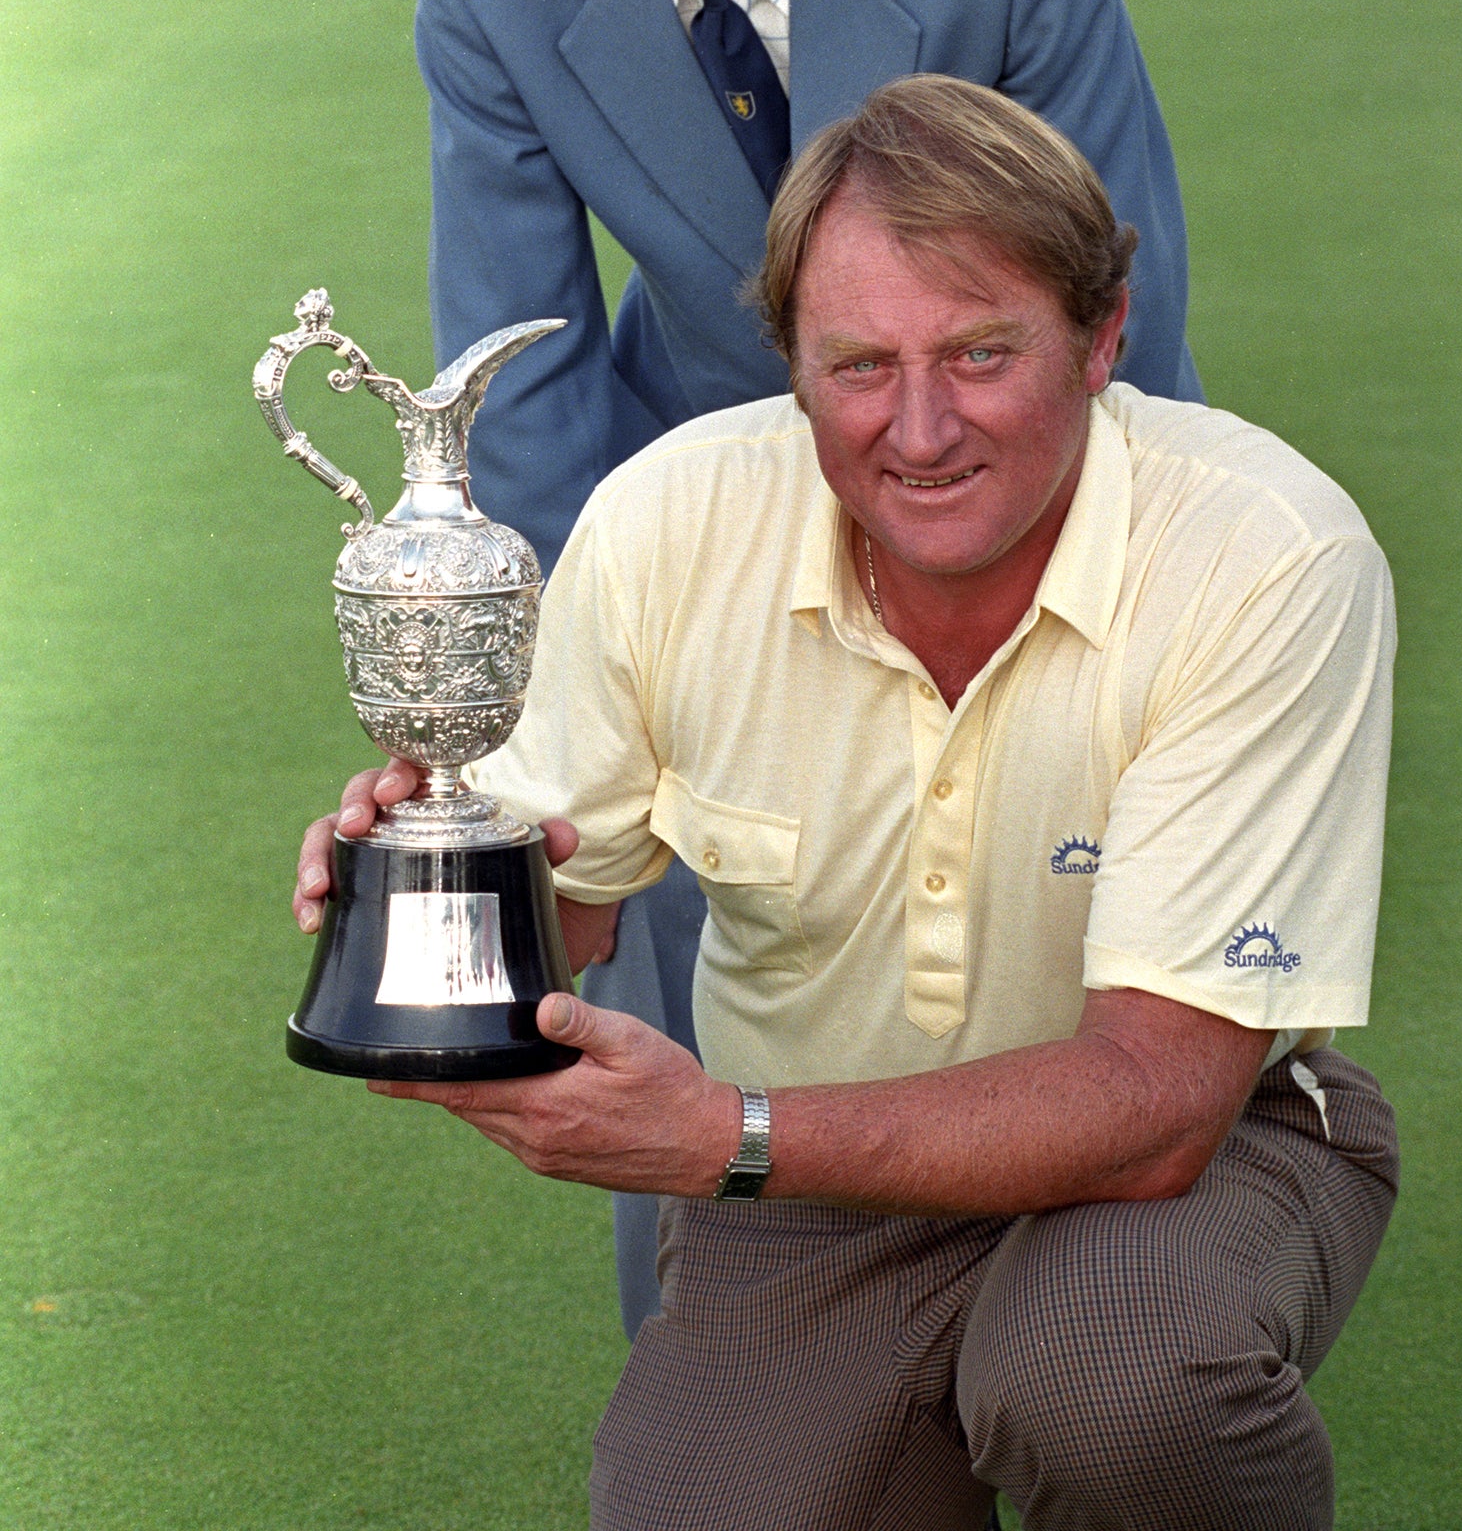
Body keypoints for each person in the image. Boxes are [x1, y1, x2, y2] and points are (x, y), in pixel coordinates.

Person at [298, 77, 1398, 1531]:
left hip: (1190, 1165)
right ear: (792, 369)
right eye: (860, 365)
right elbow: (566, 912)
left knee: (1112, 1380)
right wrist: (428, 900)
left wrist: (725, 1135)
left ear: (1103, 334)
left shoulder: (1267, 554)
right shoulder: (667, 520)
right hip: (812, 1195)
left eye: (983, 352)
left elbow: (1159, 1107)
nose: (923, 427)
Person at [416, 0, 1204, 1331]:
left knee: (1036, 949)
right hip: (703, 506)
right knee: (711, 969)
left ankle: (1078, 1324)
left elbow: (1116, 308)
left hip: (1004, 492)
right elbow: (516, 362)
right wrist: (599, 702)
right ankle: (721, 1363)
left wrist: (1128, 633)